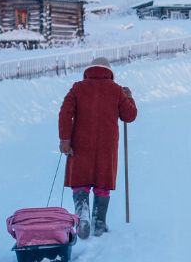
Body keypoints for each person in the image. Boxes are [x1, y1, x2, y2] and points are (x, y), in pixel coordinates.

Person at [58, 56, 137, 238]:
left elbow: (65, 112)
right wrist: (129, 97)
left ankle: (82, 213)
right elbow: (129, 116)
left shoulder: (78, 88)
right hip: (106, 145)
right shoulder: (116, 90)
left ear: (89, 70)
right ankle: (99, 223)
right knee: (102, 183)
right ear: (109, 73)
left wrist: (65, 139)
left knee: (81, 181)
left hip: (80, 143)